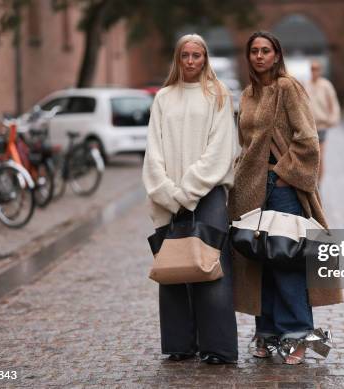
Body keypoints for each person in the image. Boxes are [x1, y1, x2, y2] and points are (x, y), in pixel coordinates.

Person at [228, 31, 343, 365]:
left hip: (282, 190)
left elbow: (308, 139)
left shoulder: (288, 88)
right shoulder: (248, 94)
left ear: (276, 55)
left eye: (266, 50)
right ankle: (267, 333)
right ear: (248, 57)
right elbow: (244, 142)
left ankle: (297, 335)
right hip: (249, 191)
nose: (260, 56)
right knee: (257, 263)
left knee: (287, 262)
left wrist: (281, 176)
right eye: (254, 51)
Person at [142, 34, 239, 365]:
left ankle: (218, 347)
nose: (191, 61)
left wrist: (187, 191)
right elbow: (153, 149)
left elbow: (221, 150)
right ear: (178, 58)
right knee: (173, 267)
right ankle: (179, 344)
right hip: (167, 196)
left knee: (210, 267)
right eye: (185, 55)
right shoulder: (164, 98)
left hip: (207, 193)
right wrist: (168, 192)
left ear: (205, 58)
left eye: (197, 55)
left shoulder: (218, 95)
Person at [304, 60, 341, 182]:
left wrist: (332, 120)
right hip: (308, 127)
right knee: (310, 157)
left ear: (320, 70)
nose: (314, 71)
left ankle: (318, 183)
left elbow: (333, 104)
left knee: (319, 157)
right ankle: (312, 181)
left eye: (316, 69)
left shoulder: (326, 85)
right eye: (312, 69)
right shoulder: (305, 85)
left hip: (321, 126)